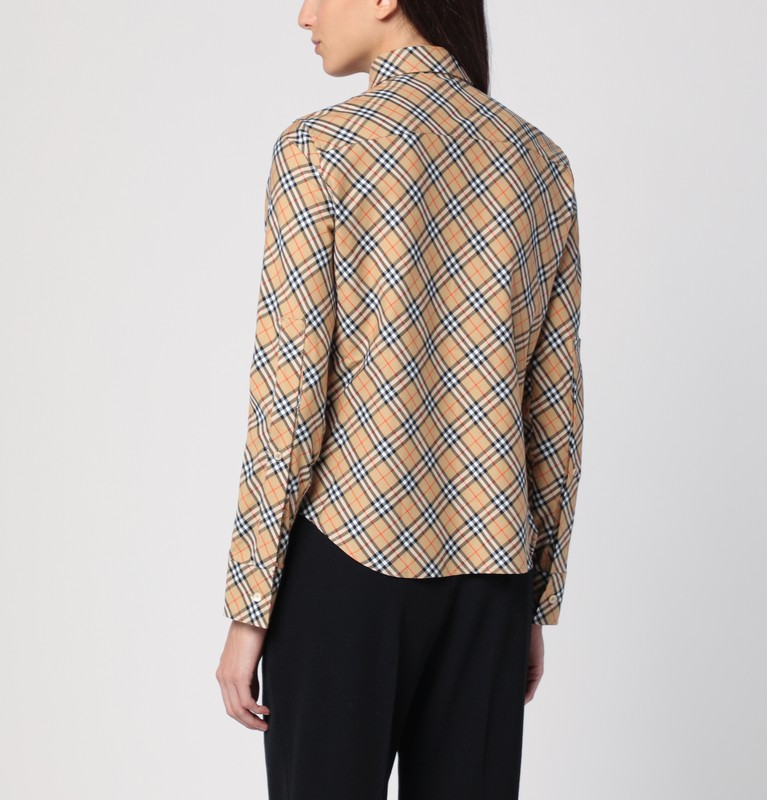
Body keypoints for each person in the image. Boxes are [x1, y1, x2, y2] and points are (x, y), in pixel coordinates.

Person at [216, 1, 584, 797]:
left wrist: (249, 607)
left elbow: (289, 392)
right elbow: (554, 406)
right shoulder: (540, 164)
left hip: (343, 566)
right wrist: (533, 600)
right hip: (490, 577)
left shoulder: (320, 150)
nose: (305, 14)